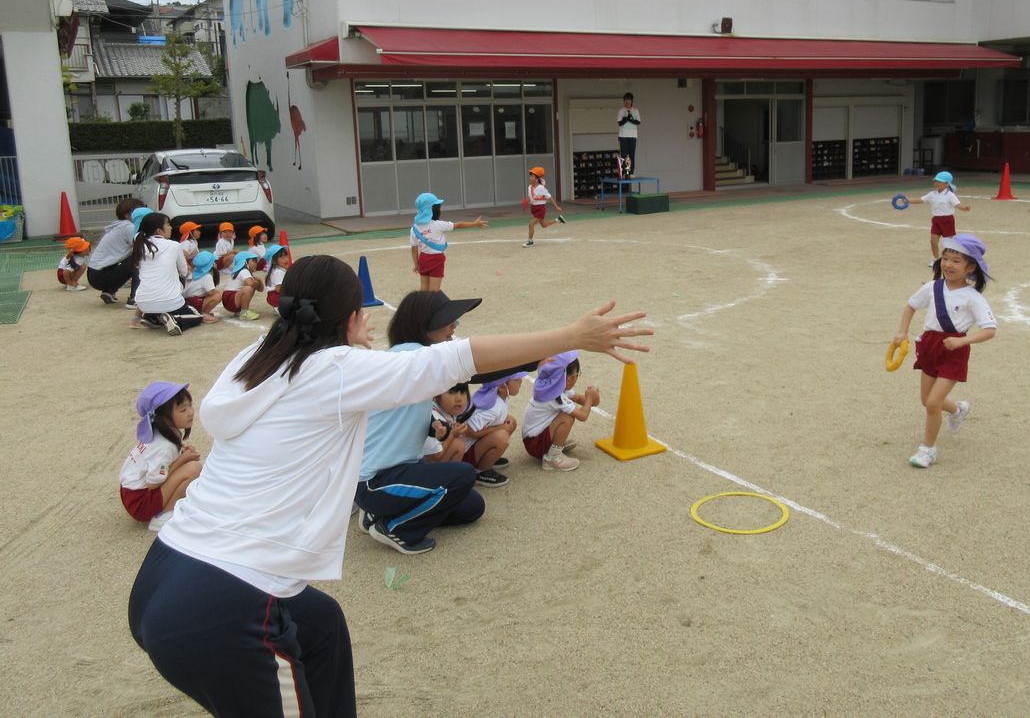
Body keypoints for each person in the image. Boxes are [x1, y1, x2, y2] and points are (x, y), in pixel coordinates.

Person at [128, 254, 649, 715]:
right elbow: (460, 359)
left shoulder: (255, 359)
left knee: (321, 625)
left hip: (163, 575)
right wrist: (572, 338)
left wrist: (344, 335)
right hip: (223, 607)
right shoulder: (336, 370)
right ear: (350, 318)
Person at [355, 289, 487, 555]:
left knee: (472, 506)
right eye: (447, 320)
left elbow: (400, 415)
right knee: (462, 476)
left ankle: (376, 514)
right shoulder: (413, 358)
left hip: (397, 471)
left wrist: (432, 429)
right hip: (375, 481)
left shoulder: (416, 357)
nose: (454, 326)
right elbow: (482, 365)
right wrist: (538, 355)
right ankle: (394, 527)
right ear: (423, 324)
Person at [892, 234, 997, 469]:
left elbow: (990, 330)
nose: (948, 264)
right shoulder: (932, 287)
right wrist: (902, 332)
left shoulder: (973, 297)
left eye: (956, 260)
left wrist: (963, 342)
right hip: (929, 347)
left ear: (971, 267)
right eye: (946, 258)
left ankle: (927, 450)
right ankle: (958, 409)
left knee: (932, 403)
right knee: (927, 401)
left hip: (954, 350)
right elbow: (911, 306)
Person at [120, 381, 203, 533]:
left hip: (132, 494)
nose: (191, 412)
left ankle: (168, 508)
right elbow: (153, 483)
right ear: (164, 417)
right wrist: (182, 460)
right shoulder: (164, 445)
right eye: (183, 409)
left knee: (189, 468)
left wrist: (181, 455)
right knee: (194, 468)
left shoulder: (158, 433)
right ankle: (162, 516)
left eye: (190, 405)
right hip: (140, 502)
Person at [521, 352, 601, 472]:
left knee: (566, 413)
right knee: (567, 417)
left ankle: (554, 447)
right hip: (535, 444)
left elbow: (581, 399)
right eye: (576, 375)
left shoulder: (552, 387)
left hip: (533, 439)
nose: (575, 379)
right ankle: (553, 458)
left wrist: (593, 398)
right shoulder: (556, 397)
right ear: (568, 378)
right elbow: (583, 416)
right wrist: (589, 399)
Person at [132, 212, 205, 336]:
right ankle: (175, 320)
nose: (171, 227)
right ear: (159, 230)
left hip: (142, 303)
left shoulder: (139, 245)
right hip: (170, 302)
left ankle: (152, 317)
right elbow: (183, 272)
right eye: (168, 224)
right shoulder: (174, 245)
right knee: (197, 316)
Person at [409, 191, 488, 292]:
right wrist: (474, 224)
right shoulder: (438, 225)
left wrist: (416, 264)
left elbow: (414, 248)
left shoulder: (414, 229)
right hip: (436, 259)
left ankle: (421, 307)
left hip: (423, 259)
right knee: (434, 291)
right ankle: (432, 307)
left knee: (424, 290)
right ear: (432, 209)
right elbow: (458, 225)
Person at [460, 373, 524, 487]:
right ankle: (480, 471)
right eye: (517, 379)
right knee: (502, 436)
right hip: (464, 455)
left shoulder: (494, 397)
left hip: (471, 447)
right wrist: (500, 427)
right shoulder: (493, 407)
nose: (521, 381)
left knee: (511, 421)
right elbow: (470, 431)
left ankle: (487, 458)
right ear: (502, 387)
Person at [86, 197, 145, 307]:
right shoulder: (129, 227)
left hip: (94, 273)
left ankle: (109, 290)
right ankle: (134, 298)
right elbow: (141, 247)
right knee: (138, 260)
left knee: (130, 261)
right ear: (128, 215)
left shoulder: (119, 226)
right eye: (138, 212)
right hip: (101, 275)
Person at [920, 171, 970, 261]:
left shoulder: (950, 195)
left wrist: (964, 208)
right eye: (935, 181)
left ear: (947, 184)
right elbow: (921, 200)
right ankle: (936, 259)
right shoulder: (932, 194)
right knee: (933, 241)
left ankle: (953, 258)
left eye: (939, 181)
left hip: (947, 220)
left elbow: (957, 205)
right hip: (936, 220)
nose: (936, 183)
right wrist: (907, 201)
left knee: (949, 243)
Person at [427, 384, 471, 463]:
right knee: (458, 445)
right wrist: (452, 434)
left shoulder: (448, 412)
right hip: (422, 466)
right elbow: (436, 455)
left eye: (463, 392)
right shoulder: (434, 418)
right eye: (452, 392)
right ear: (437, 395)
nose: (458, 399)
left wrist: (453, 429)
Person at [524, 166, 565, 247]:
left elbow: (550, 197)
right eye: (530, 176)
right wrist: (526, 202)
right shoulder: (529, 187)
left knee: (531, 224)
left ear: (536, 178)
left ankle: (530, 241)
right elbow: (531, 197)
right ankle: (558, 220)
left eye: (532, 176)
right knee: (544, 225)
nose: (530, 178)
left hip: (540, 209)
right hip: (534, 208)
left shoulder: (541, 188)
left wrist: (556, 207)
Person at [181, 251, 222, 323]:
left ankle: (202, 312)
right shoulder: (207, 276)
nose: (216, 263)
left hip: (187, 301)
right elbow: (211, 292)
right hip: (193, 302)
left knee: (214, 293)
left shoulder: (196, 273)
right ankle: (204, 314)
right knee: (217, 295)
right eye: (214, 262)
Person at [222, 251, 264, 320]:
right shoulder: (244, 271)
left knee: (250, 287)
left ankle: (241, 310)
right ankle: (244, 312)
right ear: (245, 262)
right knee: (249, 288)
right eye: (253, 261)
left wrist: (258, 280)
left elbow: (260, 289)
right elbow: (250, 284)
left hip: (230, 298)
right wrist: (256, 282)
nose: (256, 264)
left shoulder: (243, 272)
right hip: (230, 298)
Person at [616, 92, 642, 175]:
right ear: (624, 101)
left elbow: (638, 122)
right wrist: (627, 118)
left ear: (632, 101)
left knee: (631, 154)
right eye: (626, 100)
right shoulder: (621, 110)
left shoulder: (635, 110)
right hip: (623, 136)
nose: (628, 102)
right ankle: (624, 172)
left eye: (629, 100)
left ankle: (631, 172)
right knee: (624, 154)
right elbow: (620, 123)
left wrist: (629, 119)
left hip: (633, 136)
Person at [262, 243, 290, 311]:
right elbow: (278, 289)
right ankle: (279, 308)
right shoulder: (279, 272)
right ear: (274, 261)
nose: (286, 259)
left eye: (286, 256)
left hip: (274, 296)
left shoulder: (278, 269)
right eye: (282, 258)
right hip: (275, 296)